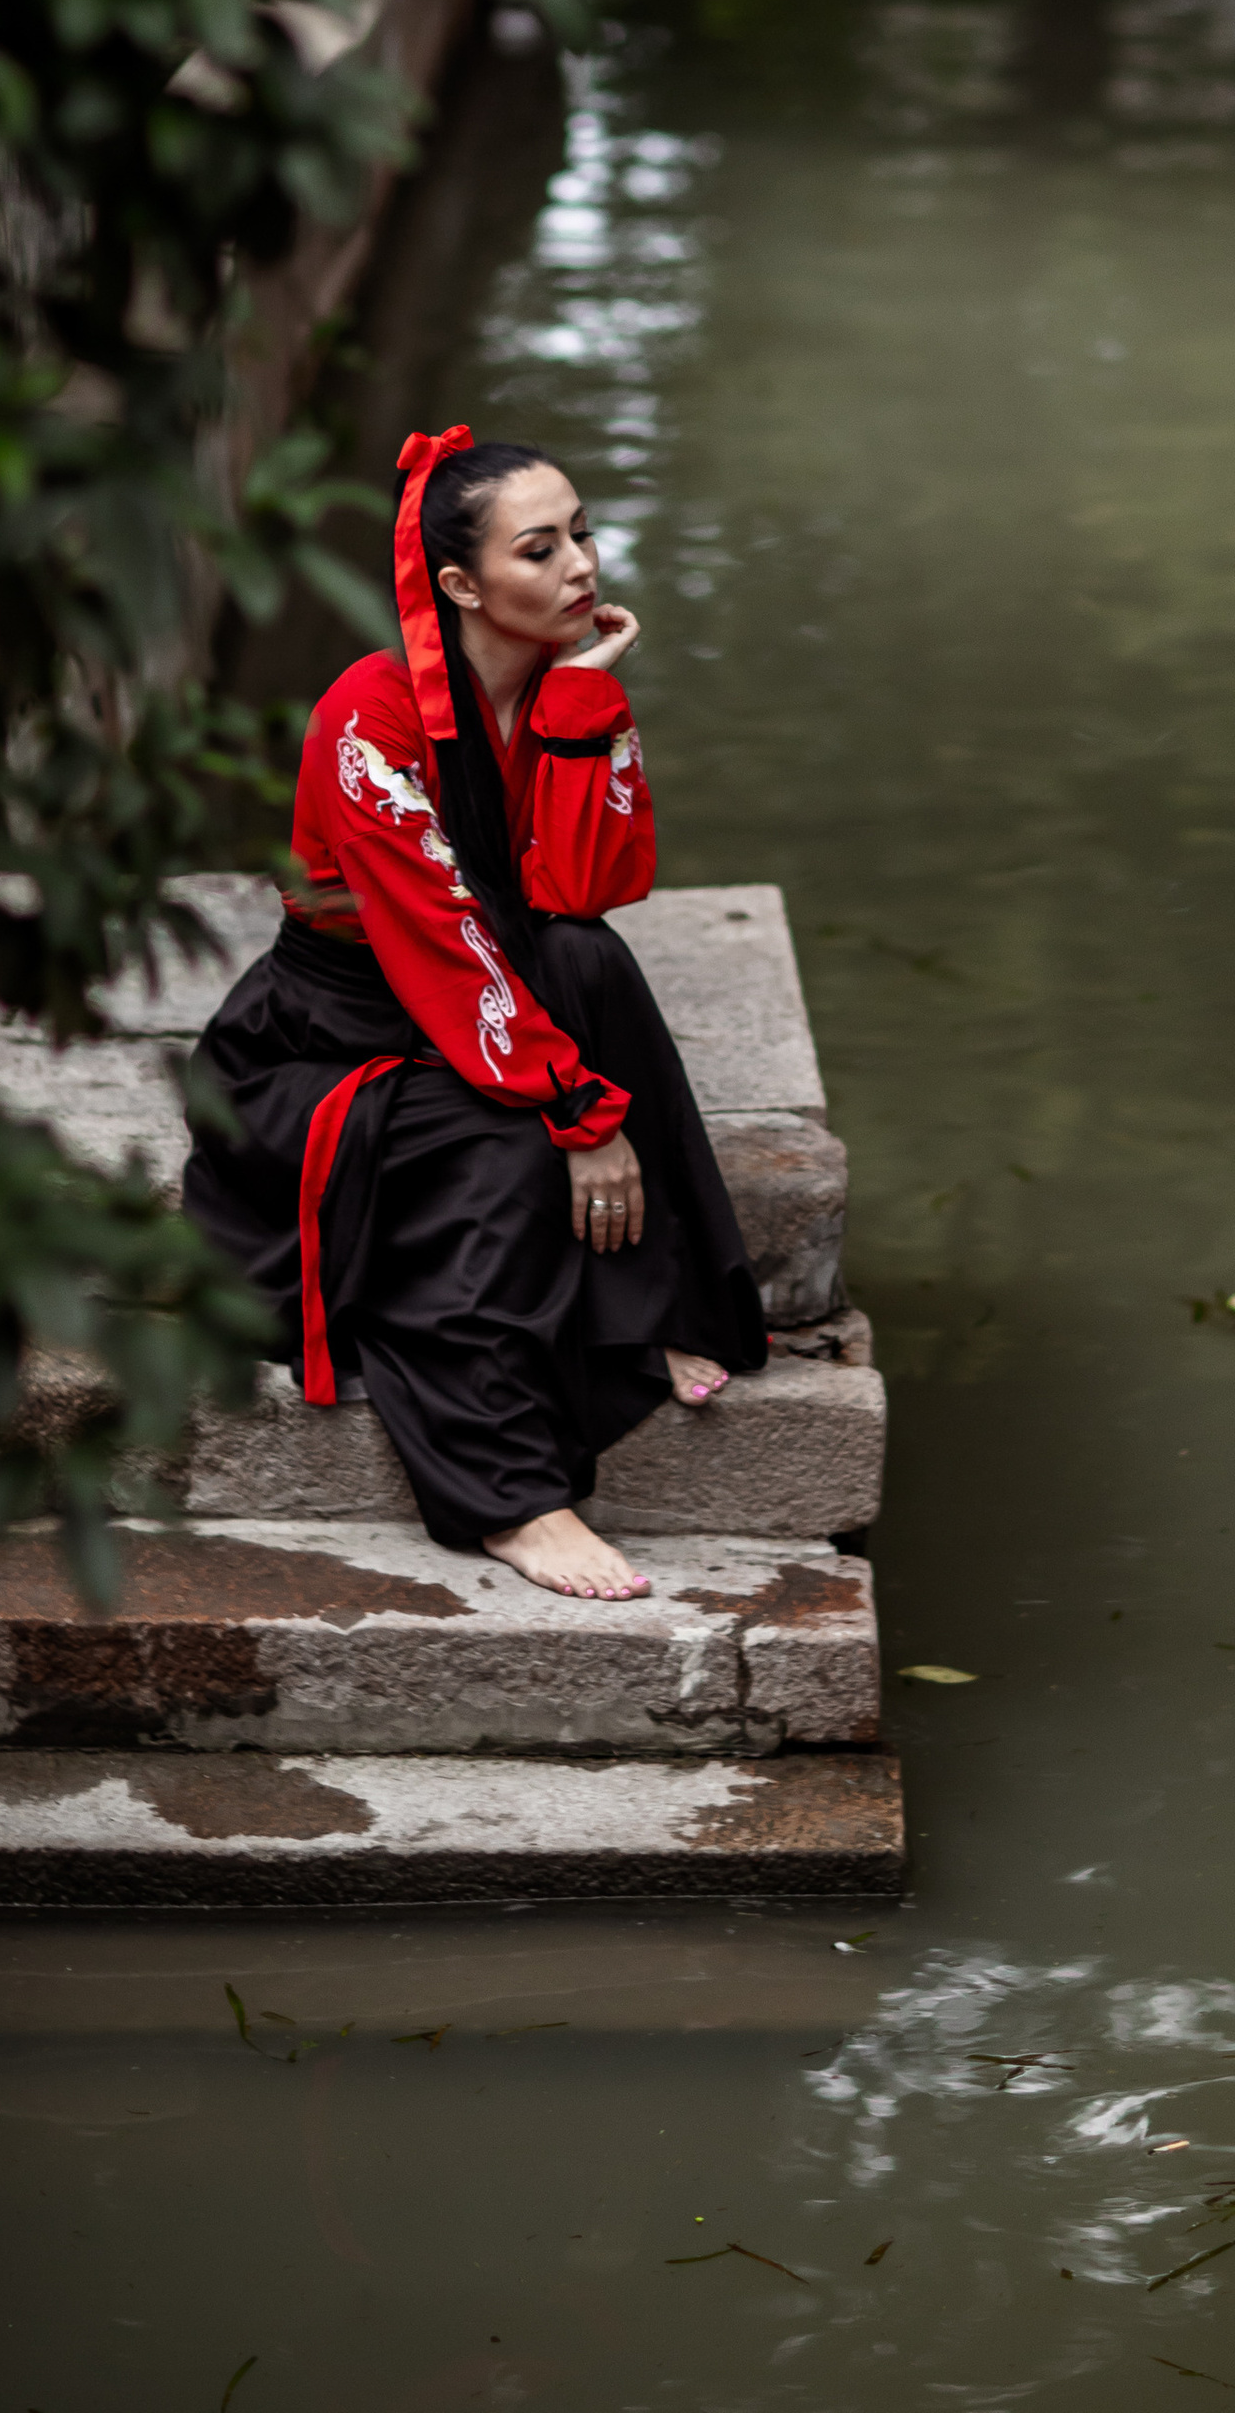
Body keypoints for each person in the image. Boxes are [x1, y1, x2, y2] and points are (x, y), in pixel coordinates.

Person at [183, 424, 767, 1602]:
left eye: (584, 537)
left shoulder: (552, 685)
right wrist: (577, 1113)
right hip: (334, 1040)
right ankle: (511, 1498)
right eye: (541, 551)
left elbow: (582, 889)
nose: (582, 570)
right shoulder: (369, 722)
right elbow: (444, 949)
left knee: (585, 960)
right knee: (506, 1145)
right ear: (460, 585)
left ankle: (638, 1306)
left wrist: (581, 710)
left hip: (465, 998)